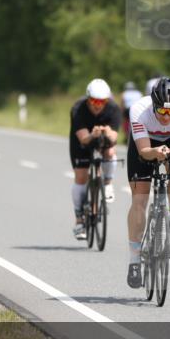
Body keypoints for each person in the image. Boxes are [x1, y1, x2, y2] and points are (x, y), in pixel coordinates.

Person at [125, 77, 170, 288]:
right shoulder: (139, 109)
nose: (166, 117)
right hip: (146, 146)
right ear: (153, 105)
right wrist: (155, 152)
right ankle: (134, 260)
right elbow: (144, 151)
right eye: (162, 112)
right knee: (139, 200)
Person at [69, 79, 121, 240]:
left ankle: (107, 183)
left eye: (102, 102)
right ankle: (79, 219)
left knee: (110, 151)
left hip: (102, 141)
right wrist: (93, 134)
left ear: (107, 100)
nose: (98, 105)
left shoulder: (113, 108)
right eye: (94, 101)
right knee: (81, 177)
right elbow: (84, 139)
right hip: (82, 143)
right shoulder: (78, 109)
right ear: (87, 99)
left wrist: (106, 132)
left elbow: (114, 137)